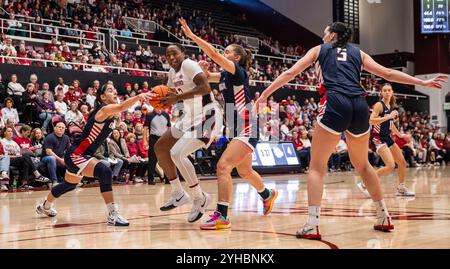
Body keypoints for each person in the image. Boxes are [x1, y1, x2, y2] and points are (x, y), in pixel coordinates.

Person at [253, 22, 446, 240]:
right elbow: (388, 73)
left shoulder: (318, 50)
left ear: (332, 34)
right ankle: (383, 216)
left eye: (325, 31)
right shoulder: (358, 52)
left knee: (316, 167)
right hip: (359, 105)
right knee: (363, 165)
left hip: (335, 101)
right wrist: (423, 82)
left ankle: (312, 224)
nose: (323, 34)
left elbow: (290, 72)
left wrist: (265, 94)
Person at [180, 18, 278, 230]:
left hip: (246, 123)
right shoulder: (225, 75)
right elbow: (207, 78)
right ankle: (267, 194)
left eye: (227, 52)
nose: (222, 55)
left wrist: (193, 37)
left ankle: (222, 215)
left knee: (223, 166)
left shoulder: (237, 71)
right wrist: (203, 70)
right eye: (223, 52)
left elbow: (214, 55)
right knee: (244, 171)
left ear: (236, 57)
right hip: (235, 125)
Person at [35, 82, 153, 226]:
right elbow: (122, 106)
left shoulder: (111, 113)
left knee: (68, 185)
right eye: (110, 90)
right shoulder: (103, 110)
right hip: (77, 154)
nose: (114, 91)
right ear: (102, 96)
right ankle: (113, 214)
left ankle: (45, 206)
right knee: (105, 171)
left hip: (80, 154)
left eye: (115, 89)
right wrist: (139, 96)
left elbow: (119, 111)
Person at [154, 43, 222, 223]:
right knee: (161, 147)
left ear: (183, 53)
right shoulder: (171, 73)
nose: (171, 57)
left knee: (177, 153)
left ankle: (200, 197)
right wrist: (155, 98)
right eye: (168, 55)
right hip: (189, 116)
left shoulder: (189, 65)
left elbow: (205, 87)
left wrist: (177, 98)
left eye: (174, 53)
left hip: (207, 113)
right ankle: (178, 193)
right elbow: (168, 93)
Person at [357, 84, 415, 197]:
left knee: (402, 163)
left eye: (389, 90)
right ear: (381, 93)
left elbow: (390, 124)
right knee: (390, 165)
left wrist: (400, 135)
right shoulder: (379, 105)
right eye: (385, 90)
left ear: (392, 92)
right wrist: (389, 116)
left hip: (387, 137)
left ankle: (401, 188)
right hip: (377, 137)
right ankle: (364, 183)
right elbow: (371, 120)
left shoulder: (390, 106)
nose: (387, 92)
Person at [142, 108, 171, 185]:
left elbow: (169, 128)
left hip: (164, 138)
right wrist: (144, 140)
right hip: (153, 138)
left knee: (166, 159)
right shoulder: (149, 115)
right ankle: (151, 179)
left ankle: (168, 178)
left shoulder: (166, 115)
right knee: (152, 159)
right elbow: (145, 128)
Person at [41, 121, 70, 185]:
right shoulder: (50, 137)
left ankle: (71, 181)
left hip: (60, 157)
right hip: (45, 158)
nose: (61, 129)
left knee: (72, 158)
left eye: (63, 128)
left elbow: (69, 150)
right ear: (54, 128)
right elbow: (48, 152)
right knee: (52, 158)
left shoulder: (66, 138)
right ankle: (54, 181)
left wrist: (65, 158)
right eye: (59, 127)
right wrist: (60, 160)